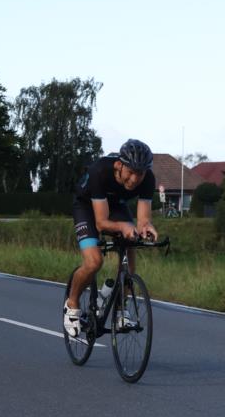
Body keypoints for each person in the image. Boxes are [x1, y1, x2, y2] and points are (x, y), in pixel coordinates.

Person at [64, 139, 158, 337]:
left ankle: (120, 310)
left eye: (140, 173)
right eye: (130, 172)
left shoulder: (148, 179)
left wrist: (146, 227)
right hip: (86, 207)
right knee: (94, 262)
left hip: (116, 206)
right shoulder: (100, 171)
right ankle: (71, 303)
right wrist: (123, 226)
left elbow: (143, 220)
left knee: (130, 251)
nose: (135, 179)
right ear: (118, 165)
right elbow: (101, 223)